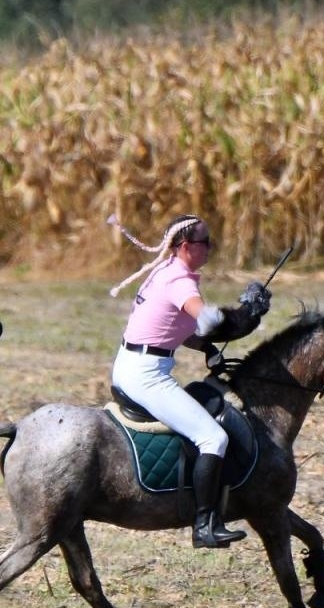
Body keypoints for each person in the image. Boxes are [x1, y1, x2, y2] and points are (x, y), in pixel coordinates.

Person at [108, 214, 271, 548]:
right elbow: (211, 321)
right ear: (185, 246)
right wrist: (249, 313)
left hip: (131, 365)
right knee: (213, 438)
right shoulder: (180, 282)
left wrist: (207, 348)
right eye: (205, 242)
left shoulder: (165, 271)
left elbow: (177, 329)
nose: (210, 247)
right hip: (146, 377)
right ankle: (204, 525)